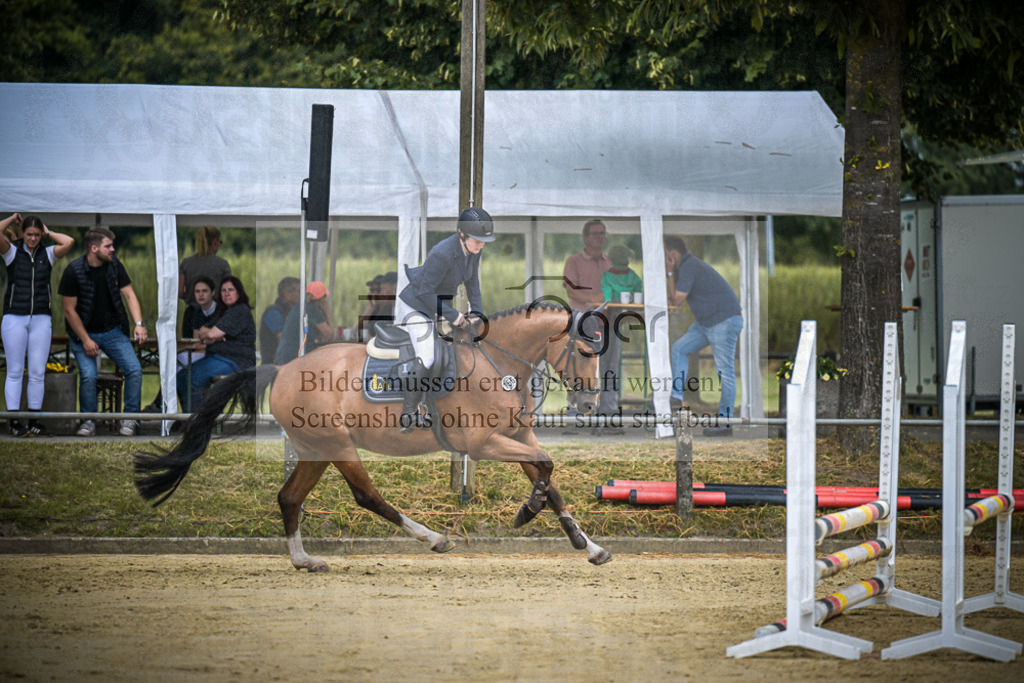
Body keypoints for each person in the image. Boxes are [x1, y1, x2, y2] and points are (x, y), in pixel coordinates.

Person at [394, 206, 495, 432]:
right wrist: (454, 315)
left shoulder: (473, 251)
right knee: (428, 355)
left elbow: (472, 283)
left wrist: (477, 311)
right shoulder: (442, 253)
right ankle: (408, 413)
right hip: (417, 305)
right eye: (477, 241)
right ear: (462, 234)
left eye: (483, 241)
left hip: (437, 305)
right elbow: (424, 293)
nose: (481, 246)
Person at [58, 228, 147, 437]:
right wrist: (86, 340)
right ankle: (88, 421)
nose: (113, 249)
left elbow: (130, 295)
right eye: (108, 246)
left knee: (134, 370)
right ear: (94, 248)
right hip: (82, 334)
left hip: (113, 332)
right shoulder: (73, 271)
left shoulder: (115, 265)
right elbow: (69, 311)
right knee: (89, 376)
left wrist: (139, 323)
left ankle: (129, 420)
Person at [0, 213, 75, 437]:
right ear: (22, 235)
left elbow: (69, 242)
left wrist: (48, 231)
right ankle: (14, 422)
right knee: (14, 372)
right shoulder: (11, 252)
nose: (32, 239)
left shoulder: (48, 254)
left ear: (40, 234)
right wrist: (12, 218)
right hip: (14, 317)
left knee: (36, 372)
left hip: (41, 318)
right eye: (29, 235)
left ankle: (34, 420)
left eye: (36, 235)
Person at [664, 235, 744, 435]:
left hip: (723, 321)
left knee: (724, 372)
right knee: (680, 348)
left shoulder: (690, 266)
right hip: (707, 322)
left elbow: (676, 300)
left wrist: (669, 272)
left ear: (673, 253)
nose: (662, 257)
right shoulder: (687, 267)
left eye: (663, 253)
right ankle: (676, 398)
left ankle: (725, 423)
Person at [562, 219, 621, 434]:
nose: (600, 237)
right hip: (583, 321)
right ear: (586, 237)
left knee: (610, 369)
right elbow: (572, 292)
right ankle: (573, 416)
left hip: (609, 322)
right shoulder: (574, 261)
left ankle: (608, 417)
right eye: (596, 233)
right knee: (577, 369)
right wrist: (596, 298)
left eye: (603, 233)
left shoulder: (610, 263)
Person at [142, 275, 223, 413]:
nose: (201, 295)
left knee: (178, 365)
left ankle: (163, 405)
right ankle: (182, 411)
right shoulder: (196, 312)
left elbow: (215, 343)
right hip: (201, 354)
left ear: (213, 292)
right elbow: (197, 343)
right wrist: (208, 339)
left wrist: (208, 340)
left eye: (205, 291)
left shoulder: (220, 312)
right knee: (176, 365)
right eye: (197, 292)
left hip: (219, 357)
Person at [177, 275, 256, 411]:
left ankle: (198, 422)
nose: (226, 293)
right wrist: (217, 335)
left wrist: (214, 334)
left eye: (230, 290)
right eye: (223, 290)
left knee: (193, 377)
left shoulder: (240, 310)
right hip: (216, 357)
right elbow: (202, 331)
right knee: (181, 377)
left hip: (236, 361)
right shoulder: (224, 312)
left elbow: (211, 334)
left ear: (239, 292)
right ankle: (188, 419)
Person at [275, 281, 334, 363]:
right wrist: (327, 312)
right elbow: (330, 335)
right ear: (321, 299)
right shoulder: (313, 310)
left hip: (283, 355)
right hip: (297, 356)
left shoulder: (299, 307)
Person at [178, 225, 231, 306]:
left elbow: (180, 292)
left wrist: (191, 297)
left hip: (191, 313)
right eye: (220, 242)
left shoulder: (186, 263)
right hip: (215, 314)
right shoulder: (223, 265)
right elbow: (227, 293)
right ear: (216, 241)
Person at [259, 276, 300, 364]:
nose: (303, 295)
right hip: (273, 366)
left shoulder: (294, 312)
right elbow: (285, 339)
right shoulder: (273, 312)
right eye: (300, 291)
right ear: (287, 294)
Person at [358, 271, 397, 341]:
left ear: (394, 288)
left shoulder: (400, 309)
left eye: (382, 289)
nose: (376, 294)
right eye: (372, 290)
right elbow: (358, 331)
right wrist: (369, 309)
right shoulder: (384, 309)